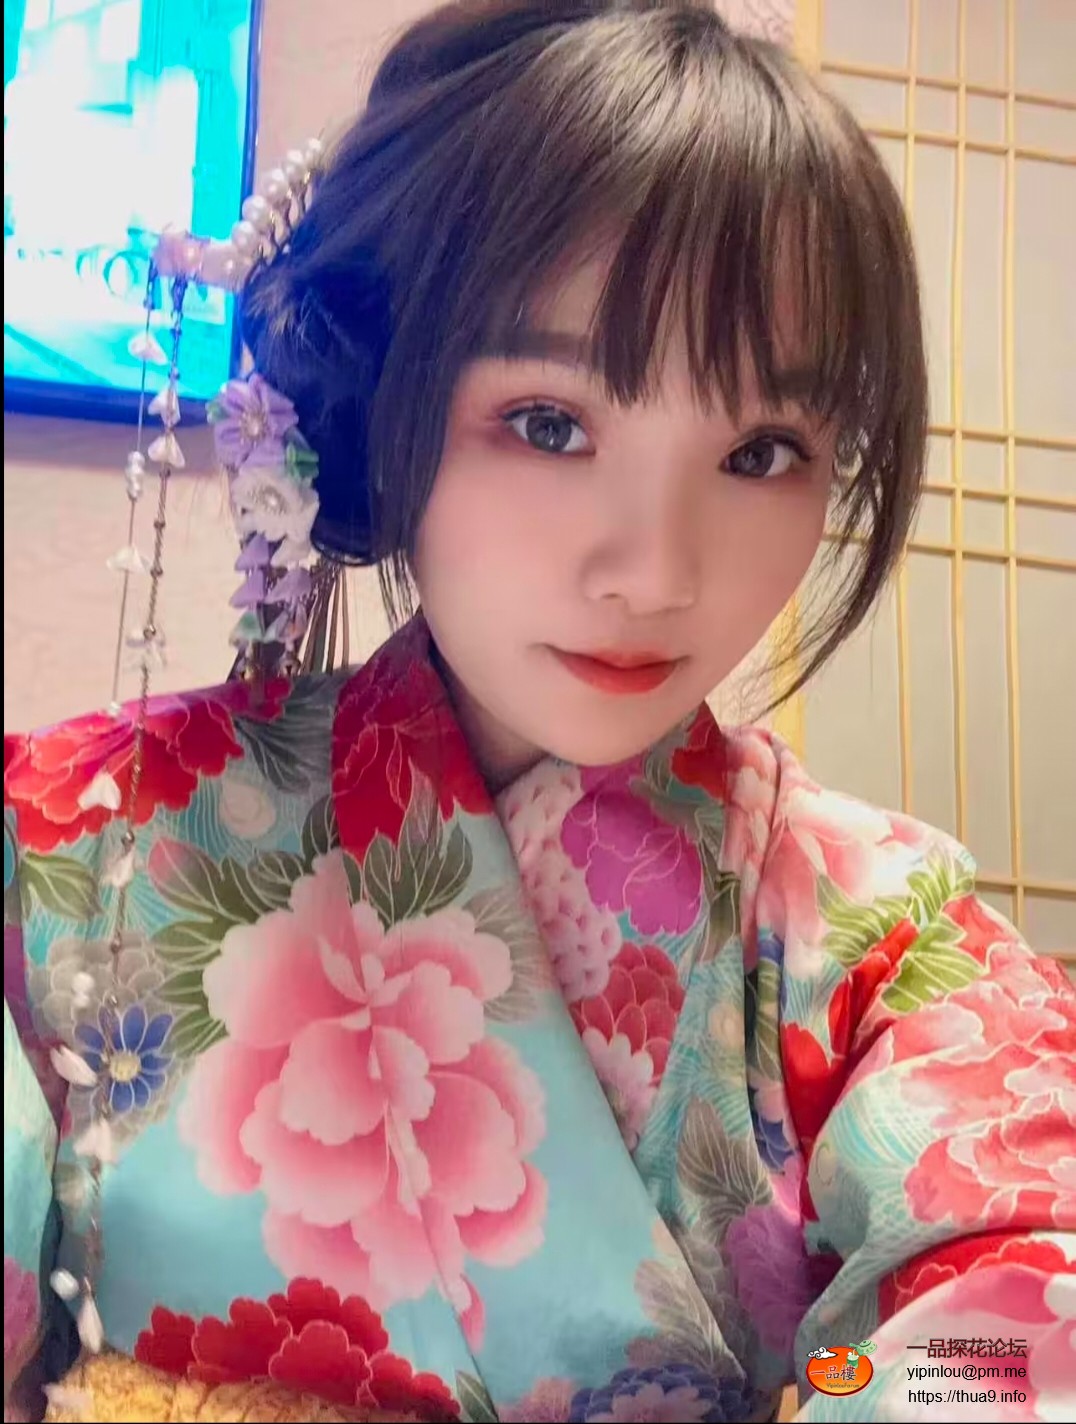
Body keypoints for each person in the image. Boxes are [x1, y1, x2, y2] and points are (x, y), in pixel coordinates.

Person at [4, 3, 1073, 1422]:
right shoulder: (61, 846)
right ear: (377, 404)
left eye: (764, 450)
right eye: (551, 423)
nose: (656, 571)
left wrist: (854, 1385)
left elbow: (1024, 1318)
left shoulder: (883, 935)